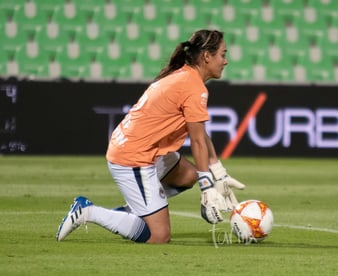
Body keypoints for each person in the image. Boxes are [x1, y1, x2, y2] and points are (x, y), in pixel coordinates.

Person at [56, 29, 245, 244]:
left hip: (142, 148)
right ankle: (88, 211)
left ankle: (138, 211)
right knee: (158, 236)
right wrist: (206, 187)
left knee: (188, 175)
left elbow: (199, 133)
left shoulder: (185, 76)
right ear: (206, 56)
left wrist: (217, 172)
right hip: (134, 156)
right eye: (222, 54)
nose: (226, 61)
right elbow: (198, 141)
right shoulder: (193, 87)